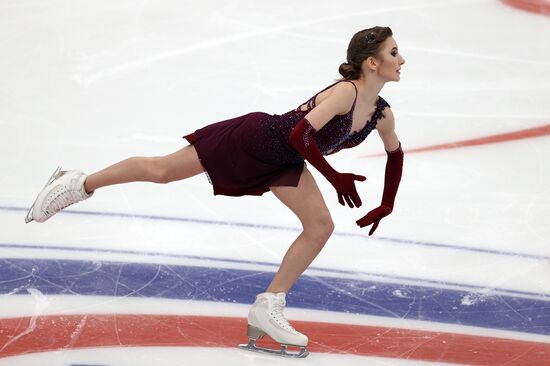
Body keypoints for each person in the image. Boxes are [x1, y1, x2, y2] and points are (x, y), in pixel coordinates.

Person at [25, 26, 405, 358]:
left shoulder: (380, 114)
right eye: (393, 52)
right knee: (163, 171)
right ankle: (77, 183)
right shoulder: (345, 93)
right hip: (255, 139)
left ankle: (268, 306)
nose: (401, 59)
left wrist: (386, 204)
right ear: (371, 63)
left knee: (319, 226)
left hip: (284, 161)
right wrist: (334, 176)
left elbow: (395, 153)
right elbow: (298, 134)